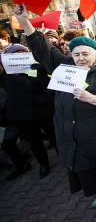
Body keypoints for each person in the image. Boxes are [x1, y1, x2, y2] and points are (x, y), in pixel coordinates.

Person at [14, 5, 96, 217]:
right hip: (73, 134)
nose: (81, 58)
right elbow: (44, 50)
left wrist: (95, 99)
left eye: (86, 54)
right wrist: (24, 21)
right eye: (76, 54)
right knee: (91, 168)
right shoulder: (66, 66)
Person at [0, 44, 55, 180]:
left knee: (53, 134)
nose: (19, 56)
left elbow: (38, 84)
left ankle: (65, 158)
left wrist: (24, 71)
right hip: (23, 114)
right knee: (34, 141)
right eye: (16, 54)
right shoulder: (6, 74)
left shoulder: (36, 67)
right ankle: (43, 165)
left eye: (22, 53)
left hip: (43, 108)